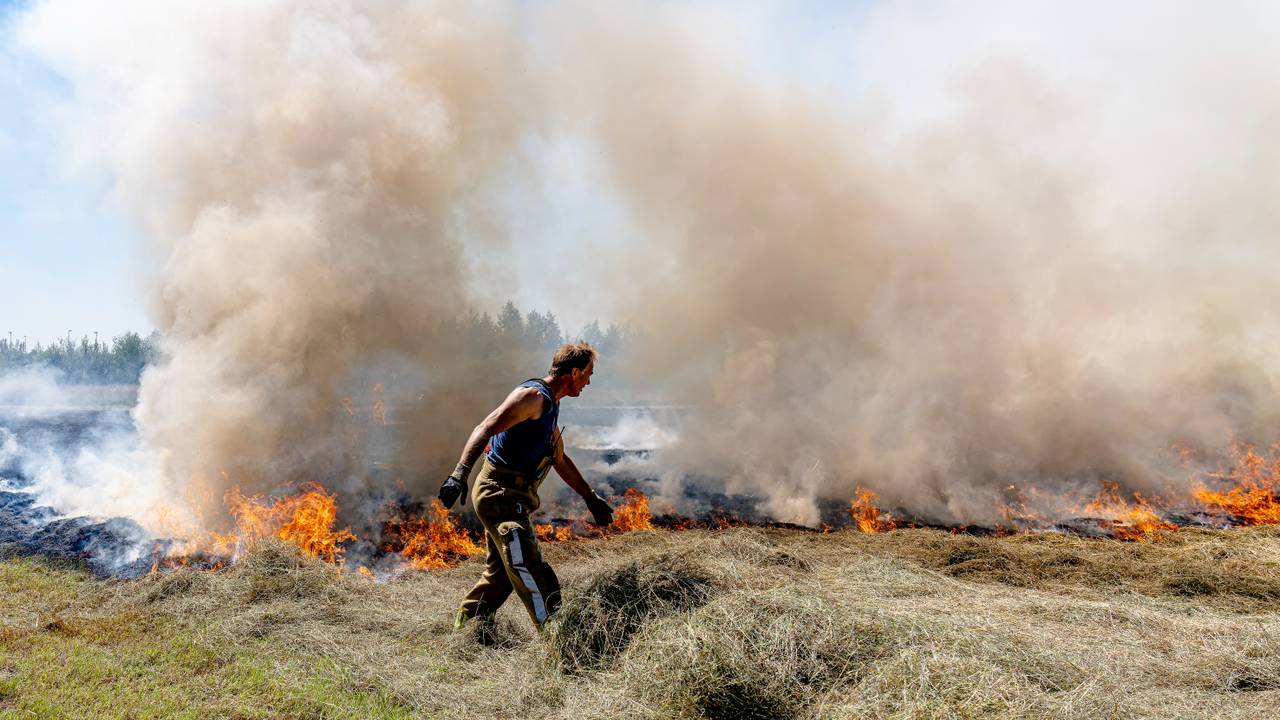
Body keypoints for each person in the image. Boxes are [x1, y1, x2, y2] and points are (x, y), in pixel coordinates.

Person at [438, 342, 614, 630]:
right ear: (574, 371)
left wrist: (589, 497)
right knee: (528, 567)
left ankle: (466, 629)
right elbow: (485, 427)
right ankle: (558, 640)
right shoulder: (533, 397)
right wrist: (459, 473)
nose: (589, 382)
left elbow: (558, 457)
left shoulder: (550, 406)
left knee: (501, 574)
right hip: (500, 495)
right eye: (588, 374)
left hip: (510, 496)